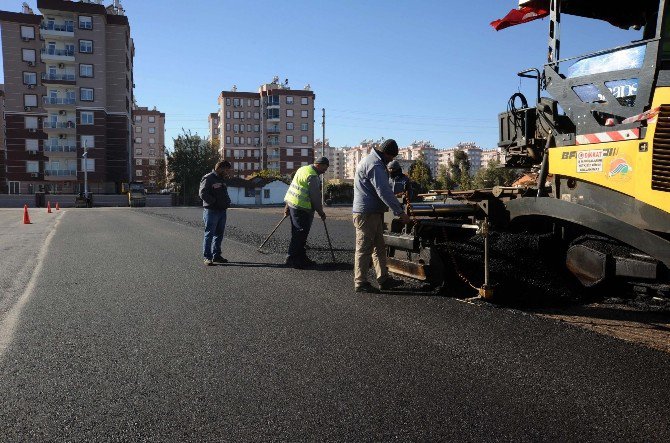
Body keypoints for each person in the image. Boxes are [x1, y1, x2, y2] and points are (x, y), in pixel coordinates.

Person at [353, 139, 411, 293]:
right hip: (367, 213)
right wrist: (400, 212)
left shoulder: (373, 161)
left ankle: (383, 279)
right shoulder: (375, 164)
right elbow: (383, 191)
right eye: (391, 157)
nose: (391, 160)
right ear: (386, 153)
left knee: (379, 247)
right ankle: (360, 282)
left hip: (374, 212)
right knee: (364, 248)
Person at [283, 157, 329, 268]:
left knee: (298, 233)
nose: (325, 171)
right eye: (324, 167)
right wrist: (321, 212)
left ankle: (301, 257)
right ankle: (291, 258)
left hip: (293, 204)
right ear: (318, 165)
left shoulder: (302, 169)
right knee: (300, 233)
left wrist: (287, 206)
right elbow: (315, 198)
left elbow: (292, 188)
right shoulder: (312, 176)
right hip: (302, 208)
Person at [199, 160, 233, 266]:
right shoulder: (208, 178)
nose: (227, 172)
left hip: (222, 211)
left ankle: (216, 255)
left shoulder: (221, 179)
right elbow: (202, 193)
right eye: (226, 170)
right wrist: (214, 202)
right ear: (221, 168)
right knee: (209, 234)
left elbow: (224, 192)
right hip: (211, 211)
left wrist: (227, 201)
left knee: (219, 234)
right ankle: (207, 257)